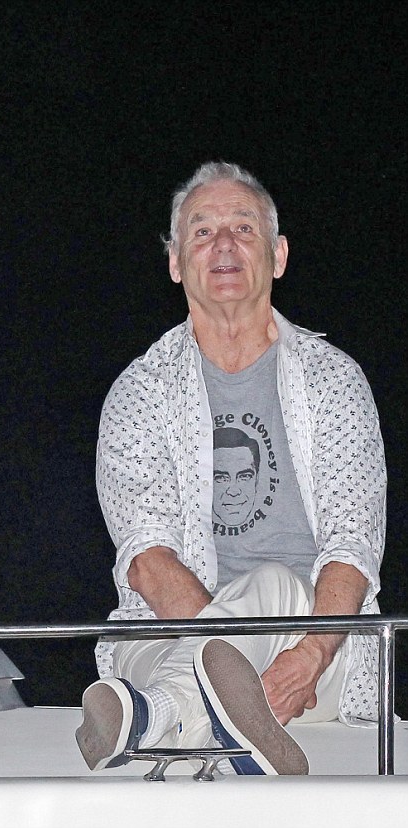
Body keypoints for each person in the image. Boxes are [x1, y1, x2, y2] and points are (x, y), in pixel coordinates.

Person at [76, 161, 386, 775]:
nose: (222, 244)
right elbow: (147, 556)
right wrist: (226, 663)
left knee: (273, 586)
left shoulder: (335, 381)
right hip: (167, 638)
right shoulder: (141, 391)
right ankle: (212, 715)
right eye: (202, 231)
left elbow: (354, 542)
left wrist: (309, 656)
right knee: (242, 612)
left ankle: (154, 716)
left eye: (243, 228)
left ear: (278, 255)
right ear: (175, 262)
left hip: (315, 652)